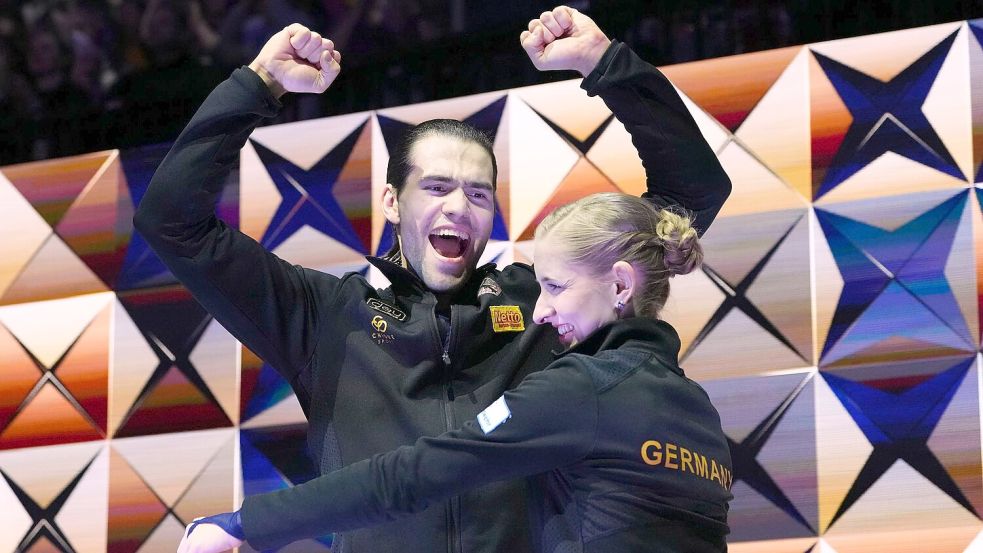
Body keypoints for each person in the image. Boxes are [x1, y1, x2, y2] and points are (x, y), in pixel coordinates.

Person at [133, 5, 731, 553]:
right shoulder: (320, 312)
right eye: (437, 188)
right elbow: (172, 221)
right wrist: (256, 85)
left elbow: (690, 196)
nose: (458, 207)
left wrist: (605, 64)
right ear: (392, 202)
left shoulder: (543, 304)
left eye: (477, 192)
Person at [178, 193, 733, 553]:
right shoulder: (699, 410)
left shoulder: (583, 389)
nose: (540, 311)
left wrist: (245, 525)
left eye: (556, 287)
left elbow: (415, 474)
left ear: (619, 284)